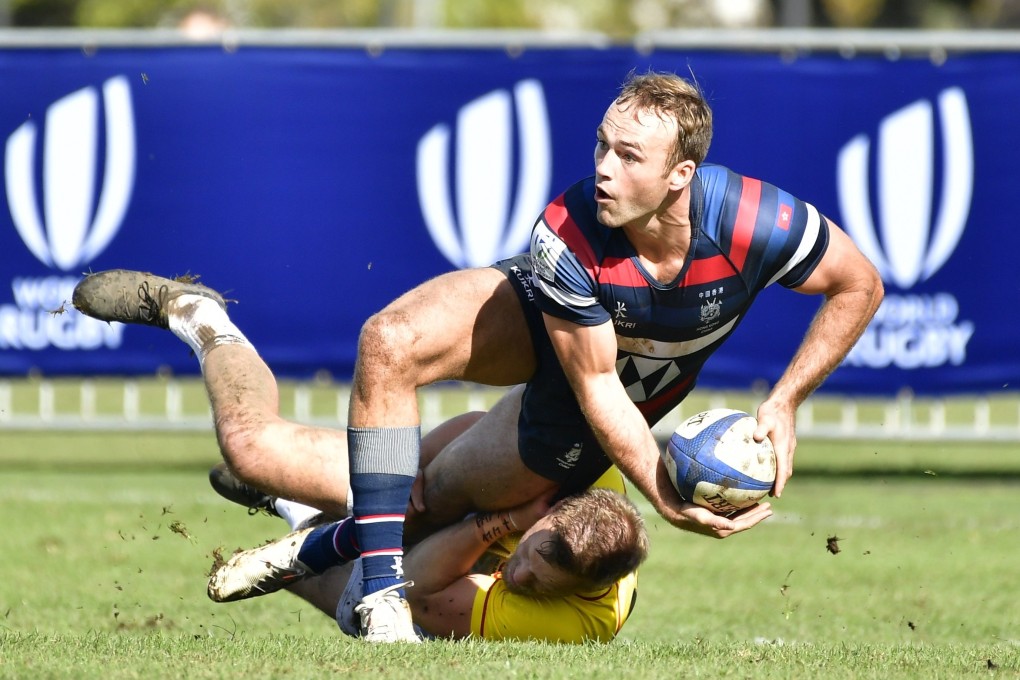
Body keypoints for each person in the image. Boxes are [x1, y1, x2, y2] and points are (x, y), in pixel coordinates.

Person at [73, 70, 883, 642]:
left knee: (274, 456)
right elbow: (599, 380)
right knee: (386, 340)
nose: (602, 166)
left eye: (629, 156)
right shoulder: (567, 230)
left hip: (563, 424)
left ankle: (285, 489)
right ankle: (376, 590)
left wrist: (784, 402)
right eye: (602, 144)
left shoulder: (754, 222)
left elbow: (859, 285)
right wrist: (665, 498)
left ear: (682, 176)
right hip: (565, 344)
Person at [205, 451, 647, 644]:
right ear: (553, 512)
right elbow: (478, 427)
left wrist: (504, 523)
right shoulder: (588, 470)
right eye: (531, 555)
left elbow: (417, 590)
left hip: (435, 591)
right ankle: (291, 489)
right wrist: (418, 477)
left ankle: (292, 515)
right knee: (439, 485)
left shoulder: (574, 624)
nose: (521, 576)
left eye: (542, 583)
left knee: (384, 607)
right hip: (467, 519)